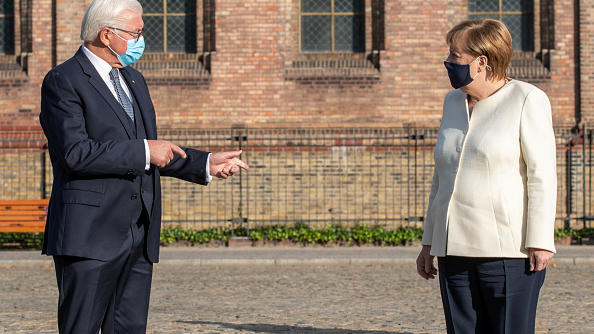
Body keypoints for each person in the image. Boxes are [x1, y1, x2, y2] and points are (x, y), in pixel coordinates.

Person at [39, 0, 249, 332]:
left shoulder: (133, 79)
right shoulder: (63, 80)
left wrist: (205, 162)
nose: (141, 39)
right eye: (136, 32)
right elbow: (75, 153)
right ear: (107, 35)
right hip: (90, 235)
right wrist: (145, 152)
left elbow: (150, 150)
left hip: (138, 234)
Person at [416, 19, 557, 334]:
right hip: (453, 250)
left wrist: (541, 241)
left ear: (481, 62)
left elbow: (542, 176)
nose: (448, 62)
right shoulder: (452, 102)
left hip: (507, 252)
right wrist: (429, 242)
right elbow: (441, 177)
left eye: (455, 55)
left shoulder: (526, 99)